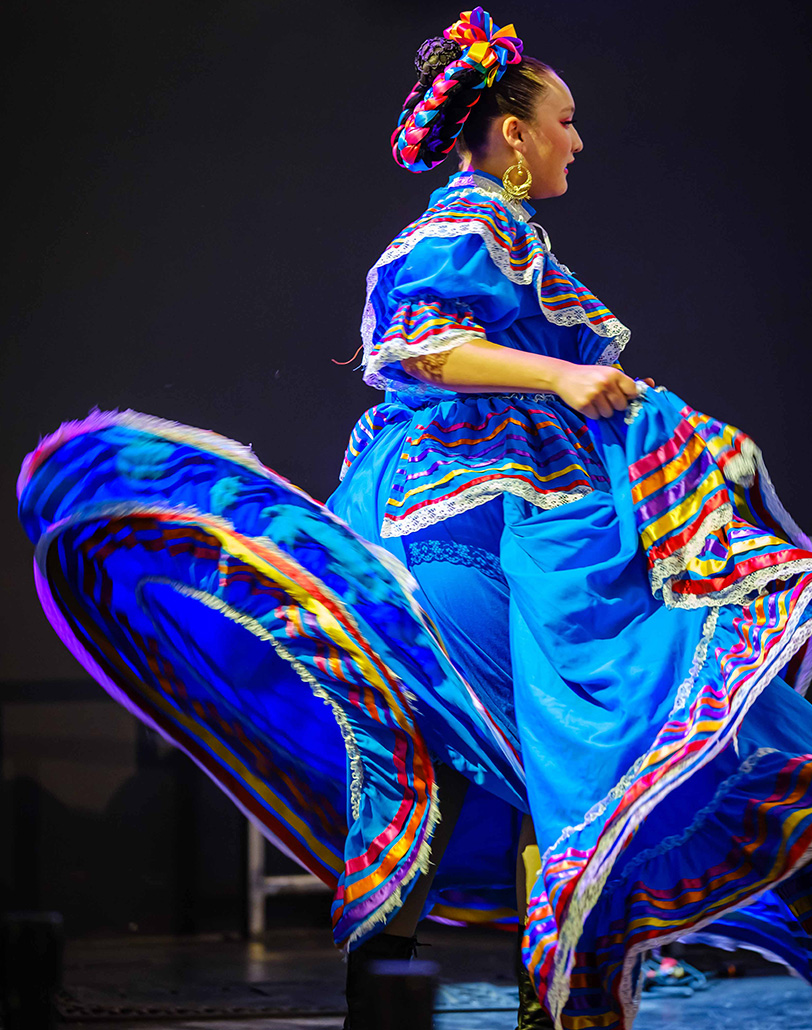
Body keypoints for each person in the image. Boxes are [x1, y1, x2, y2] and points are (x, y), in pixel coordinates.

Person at [16, 8, 812, 1030]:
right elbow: (416, 346)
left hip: (493, 525)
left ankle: (485, 993)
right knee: (490, 748)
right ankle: (477, 996)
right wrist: (565, 376)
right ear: (512, 135)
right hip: (458, 528)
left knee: (476, 759)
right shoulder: (465, 223)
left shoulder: (506, 233)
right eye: (563, 119)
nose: (576, 139)